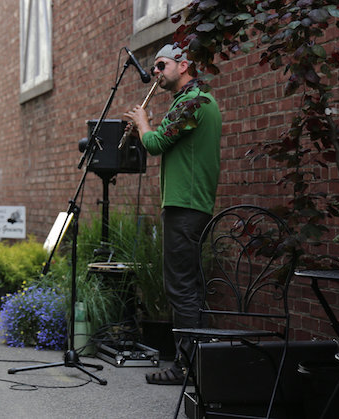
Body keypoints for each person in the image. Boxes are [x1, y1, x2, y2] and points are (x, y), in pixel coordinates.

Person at [123, 44, 222, 385]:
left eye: (161, 65)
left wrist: (142, 123)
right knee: (188, 287)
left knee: (180, 288)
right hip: (187, 205)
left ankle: (187, 368)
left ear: (183, 65)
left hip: (186, 206)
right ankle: (196, 365)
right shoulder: (190, 102)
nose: (156, 72)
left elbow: (155, 144)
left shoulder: (195, 103)